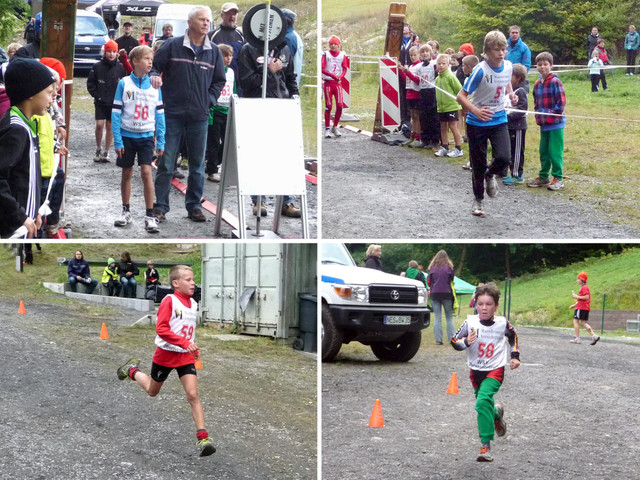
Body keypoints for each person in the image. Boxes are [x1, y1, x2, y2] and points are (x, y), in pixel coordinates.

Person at [117, 265, 216, 457]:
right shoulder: (169, 300)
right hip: (165, 354)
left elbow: (187, 329)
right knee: (152, 391)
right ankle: (132, 371)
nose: (193, 282)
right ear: (175, 283)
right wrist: (184, 342)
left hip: (185, 357)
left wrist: (192, 347)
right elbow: (161, 329)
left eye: (193, 279)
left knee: (193, 394)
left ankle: (203, 439)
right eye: (188, 279)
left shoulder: (193, 304)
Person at [150, 6, 226, 224]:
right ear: (190, 22)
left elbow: (219, 80)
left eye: (208, 20)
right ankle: (160, 206)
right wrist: (155, 77)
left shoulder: (213, 52)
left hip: (199, 116)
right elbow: (154, 67)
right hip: (172, 114)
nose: (206, 23)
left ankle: (194, 206)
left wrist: (208, 101)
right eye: (201, 19)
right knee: (166, 162)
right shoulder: (172, 45)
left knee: (197, 165)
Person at [451, 282, 520, 462]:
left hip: (495, 370)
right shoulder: (470, 322)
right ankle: (496, 415)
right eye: (480, 303)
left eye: (488, 304)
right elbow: (453, 341)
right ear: (475, 304)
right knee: (486, 405)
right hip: (476, 371)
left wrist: (515, 355)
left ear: (496, 306)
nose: (484, 308)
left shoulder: (502, 323)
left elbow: (513, 336)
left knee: (482, 402)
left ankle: (485, 447)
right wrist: (466, 342)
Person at [237, 33, 301, 218]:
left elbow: (290, 78)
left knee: (283, 155)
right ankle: (258, 200)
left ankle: (286, 201)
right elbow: (245, 81)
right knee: (257, 154)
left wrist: (295, 100)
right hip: (256, 106)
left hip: (281, 106)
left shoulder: (286, 49)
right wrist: (268, 71)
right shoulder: (248, 49)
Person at [457, 30, 517, 217]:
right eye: (496, 50)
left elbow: (506, 81)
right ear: (487, 52)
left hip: (498, 118)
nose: (500, 53)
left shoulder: (508, 66)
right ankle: (478, 200)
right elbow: (461, 96)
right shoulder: (480, 71)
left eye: (503, 49)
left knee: (504, 157)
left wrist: (511, 94)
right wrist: (475, 110)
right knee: (478, 163)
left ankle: (490, 175)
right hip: (477, 122)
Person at [111, 45, 165, 234]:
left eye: (152, 59)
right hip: (127, 135)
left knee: (146, 173)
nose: (150, 62)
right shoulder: (124, 83)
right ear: (135, 61)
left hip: (146, 136)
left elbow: (160, 114)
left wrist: (161, 140)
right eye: (146, 59)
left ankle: (150, 215)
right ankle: (125, 211)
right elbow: (116, 112)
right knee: (126, 173)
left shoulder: (155, 85)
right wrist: (117, 140)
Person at [0, 58, 56, 238]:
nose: (51, 99)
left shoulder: (28, 125)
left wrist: (35, 210)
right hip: (13, 230)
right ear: (31, 92)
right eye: (48, 93)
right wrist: (20, 216)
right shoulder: (16, 129)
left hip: (27, 222)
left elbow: (28, 177)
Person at [32, 59, 68, 237]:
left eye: (56, 91)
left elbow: (48, 135)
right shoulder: (36, 115)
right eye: (51, 92)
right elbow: (35, 140)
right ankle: (38, 235)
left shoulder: (46, 112)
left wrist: (56, 146)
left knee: (57, 182)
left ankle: (52, 223)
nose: (54, 96)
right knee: (37, 207)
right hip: (39, 170)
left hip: (48, 166)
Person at [526, 52, 566, 191]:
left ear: (551, 65)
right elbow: (536, 103)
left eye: (545, 64)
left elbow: (561, 104)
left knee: (554, 151)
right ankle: (543, 176)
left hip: (555, 124)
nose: (543, 67)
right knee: (544, 151)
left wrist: (548, 114)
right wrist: (539, 116)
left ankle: (558, 178)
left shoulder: (555, 81)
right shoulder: (537, 83)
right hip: (544, 125)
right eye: (540, 65)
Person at [87, 39, 126, 163]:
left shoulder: (120, 67)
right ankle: (98, 148)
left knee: (110, 127)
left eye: (114, 51)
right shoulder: (97, 66)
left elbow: (125, 83)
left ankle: (106, 151)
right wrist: (96, 94)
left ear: (117, 53)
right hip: (100, 101)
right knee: (99, 125)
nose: (111, 54)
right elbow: (90, 83)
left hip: (114, 103)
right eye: (109, 51)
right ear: (105, 52)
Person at [205, 44, 234, 183]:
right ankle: (212, 170)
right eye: (225, 56)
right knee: (214, 142)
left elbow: (233, 89)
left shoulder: (232, 72)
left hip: (226, 109)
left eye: (230, 56)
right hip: (215, 110)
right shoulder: (214, 71)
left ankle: (216, 162)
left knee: (227, 141)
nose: (228, 59)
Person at [209, 2, 245, 95]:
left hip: (237, 83)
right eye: (229, 13)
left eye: (234, 13)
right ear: (222, 15)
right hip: (216, 83)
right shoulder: (212, 35)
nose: (232, 16)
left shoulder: (242, 36)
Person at [502, 63, 529, 185]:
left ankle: (517, 175)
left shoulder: (520, 91)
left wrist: (509, 115)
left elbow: (522, 108)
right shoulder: (508, 91)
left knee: (517, 151)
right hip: (508, 126)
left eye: (510, 76)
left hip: (518, 127)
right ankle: (505, 171)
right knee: (509, 150)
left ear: (518, 77)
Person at [435, 53, 464, 158]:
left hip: (452, 106)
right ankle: (445, 147)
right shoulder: (438, 79)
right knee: (443, 127)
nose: (441, 66)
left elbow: (459, 89)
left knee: (453, 126)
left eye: (443, 63)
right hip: (441, 107)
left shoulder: (451, 76)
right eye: (439, 64)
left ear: (448, 64)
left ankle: (458, 148)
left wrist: (459, 101)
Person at [322, 35, 349, 139]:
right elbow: (323, 69)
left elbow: (345, 68)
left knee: (340, 105)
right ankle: (327, 128)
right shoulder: (326, 55)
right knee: (328, 105)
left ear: (339, 45)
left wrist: (340, 77)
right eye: (331, 44)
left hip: (337, 84)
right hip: (329, 83)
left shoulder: (342, 55)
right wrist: (333, 76)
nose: (333, 46)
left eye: (335, 44)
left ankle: (335, 126)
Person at [427, 250, 457, 345]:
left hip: (435, 294)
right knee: (449, 317)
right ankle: (451, 338)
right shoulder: (449, 268)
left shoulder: (432, 268)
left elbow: (429, 281)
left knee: (437, 317)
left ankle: (438, 340)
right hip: (446, 293)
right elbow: (452, 279)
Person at [398, 46, 425, 148]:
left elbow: (417, 80)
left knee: (417, 116)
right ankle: (413, 135)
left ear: (419, 55)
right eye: (411, 55)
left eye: (415, 55)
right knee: (412, 116)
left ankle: (418, 137)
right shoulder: (411, 66)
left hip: (416, 92)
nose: (413, 57)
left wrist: (407, 72)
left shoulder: (419, 66)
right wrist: (401, 70)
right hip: (409, 92)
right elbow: (407, 79)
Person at [569, 272, 600, 345]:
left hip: (581, 308)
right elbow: (582, 300)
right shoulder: (584, 287)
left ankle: (577, 338)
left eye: (578, 279)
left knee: (576, 321)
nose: (577, 280)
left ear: (582, 279)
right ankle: (594, 336)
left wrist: (576, 296)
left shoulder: (584, 287)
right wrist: (574, 305)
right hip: (584, 307)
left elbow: (586, 297)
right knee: (583, 322)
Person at [418, 44, 439, 149]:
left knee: (433, 116)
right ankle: (425, 138)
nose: (425, 53)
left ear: (431, 53)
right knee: (423, 116)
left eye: (427, 51)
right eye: (423, 52)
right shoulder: (419, 66)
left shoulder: (434, 64)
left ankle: (435, 140)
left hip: (432, 91)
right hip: (423, 91)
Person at [282, 9, 304, 88]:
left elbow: (284, 63)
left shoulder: (287, 38)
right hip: (293, 82)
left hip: (287, 84)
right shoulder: (294, 35)